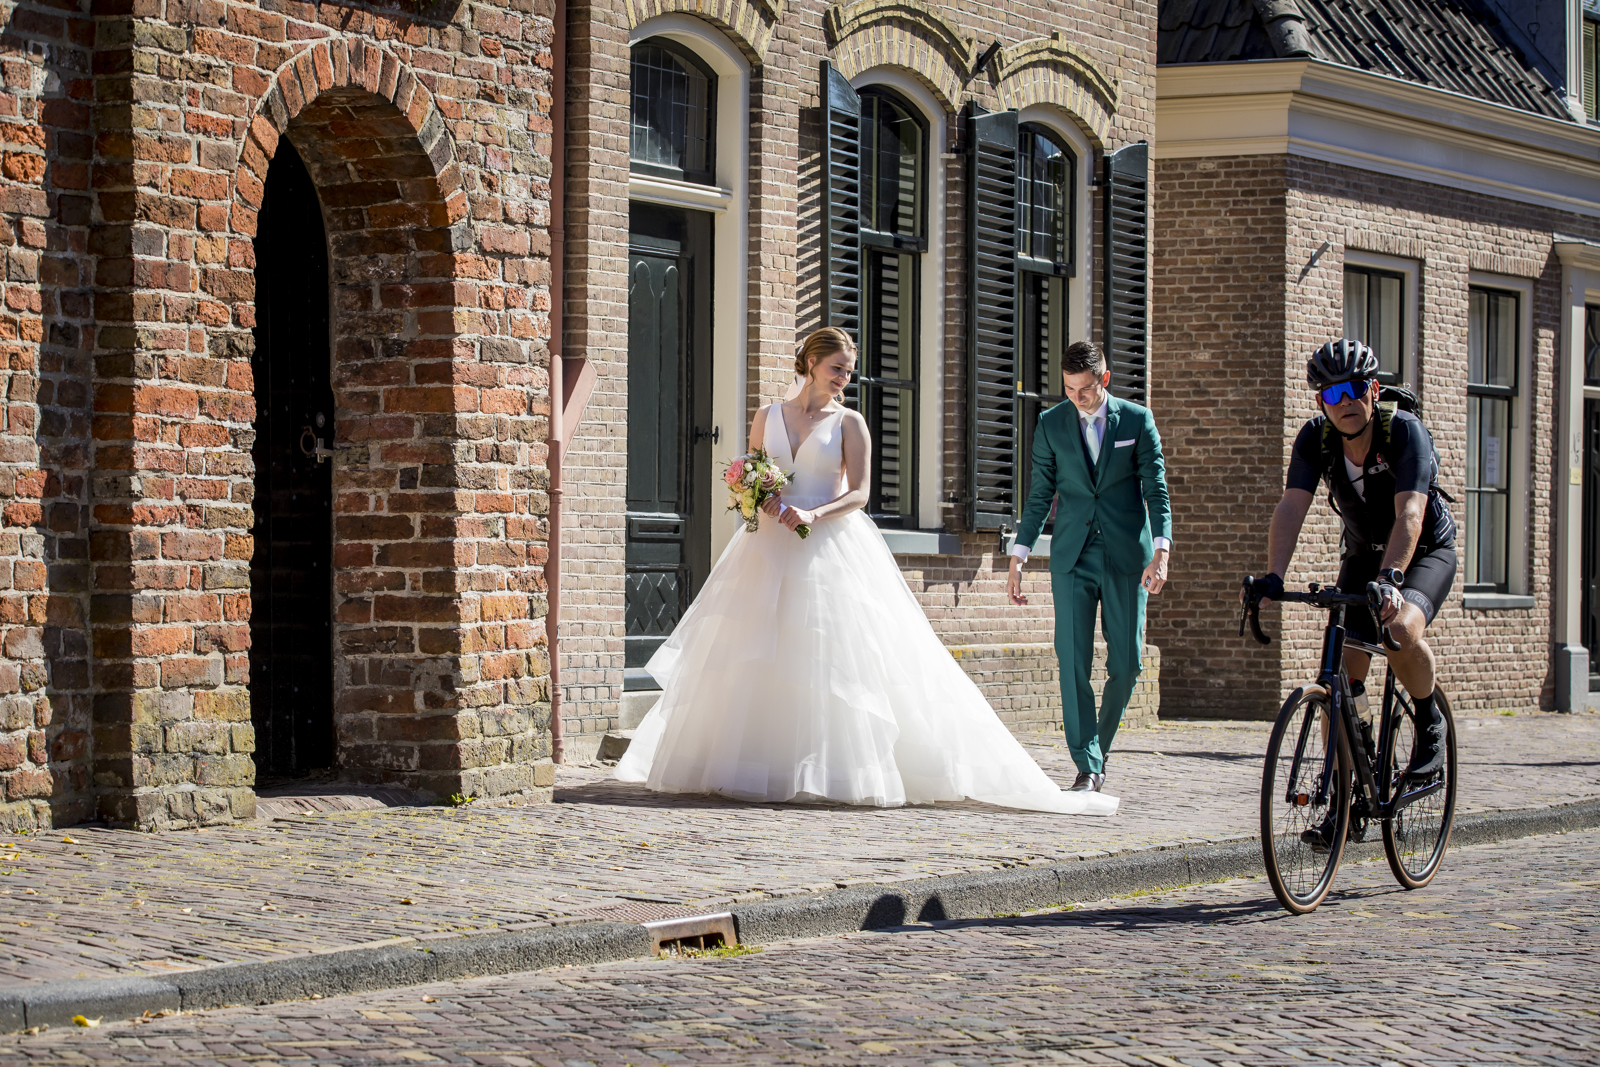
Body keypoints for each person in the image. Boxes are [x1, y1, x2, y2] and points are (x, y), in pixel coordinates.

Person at [616, 327, 1117, 816]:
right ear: (812, 362)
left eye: (849, 372)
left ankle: (831, 770)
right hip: (765, 547)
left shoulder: (849, 423)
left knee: (827, 658)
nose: (844, 379)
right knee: (757, 652)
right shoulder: (767, 416)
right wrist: (760, 498)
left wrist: (812, 514)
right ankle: (753, 766)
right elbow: (753, 473)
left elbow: (859, 493)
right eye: (837, 368)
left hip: (826, 543)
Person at [1249, 338, 1456, 843]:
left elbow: (1411, 514)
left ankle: (1428, 718)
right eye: (1331, 393)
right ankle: (1342, 805)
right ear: (1321, 401)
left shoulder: (1403, 432)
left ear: (1373, 390)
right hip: (1363, 557)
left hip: (1424, 552)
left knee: (1399, 629)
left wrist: (1391, 581)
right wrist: (1274, 576)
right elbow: (1291, 506)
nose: (1344, 401)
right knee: (1340, 675)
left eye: (1354, 389)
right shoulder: (1315, 440)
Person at [1007, 340, 1172, 793]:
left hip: (1126, 557)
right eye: (1068, 389)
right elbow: (1040, 494)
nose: (1076, 398)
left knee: (1129, 663)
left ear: (1105, 379)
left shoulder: (1136, 420)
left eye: (1085, 389)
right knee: (1073, 660)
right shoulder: (1051, 424)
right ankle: (1087, 763)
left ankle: (1097, 746)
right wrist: (1019, 555)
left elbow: (1155, 488)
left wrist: (1161, 551)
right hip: (1072, 557)